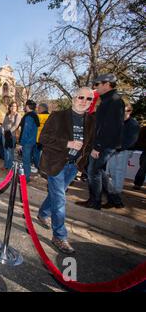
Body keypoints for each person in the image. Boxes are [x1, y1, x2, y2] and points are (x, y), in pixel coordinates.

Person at [37, 87, 95, 254]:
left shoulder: (91, 120)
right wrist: (67, 143)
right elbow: (44, 138)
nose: (84, 101)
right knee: (60, 199)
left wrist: (89, 152)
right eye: (81, 97)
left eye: (88, 99)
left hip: (73, 165)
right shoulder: (58, 116)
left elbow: (90, 141)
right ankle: (59, 236)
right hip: (55, 163)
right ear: (73, 98)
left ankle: (42, 213)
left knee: (57, 194)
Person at [76, 74, 125, 210]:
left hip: (104, 145)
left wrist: (97, 146)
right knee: (99, 171)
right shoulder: (109, 101)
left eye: (97, 84)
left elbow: (108, 127)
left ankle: (95, 201)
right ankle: (114, 200)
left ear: (107, 84)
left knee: (93, 171)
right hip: (105, 144)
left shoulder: (114, 101)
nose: (95, 87)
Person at [101, 100, 140, 208]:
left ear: (130, 111)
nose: (124, 113)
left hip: (123, 151)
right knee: (112, 173)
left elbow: (130, 141)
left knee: (118, 173)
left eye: (127, 111)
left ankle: (115, 199)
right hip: (113, 151)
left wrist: (116, 147)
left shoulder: (133, 124)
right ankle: (114, 198)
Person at [19, 100, 40, 182]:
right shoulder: (35, 115)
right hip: (33, 141)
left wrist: (21, 143)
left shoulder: (29, 116)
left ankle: (25, 178)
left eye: (25, 105)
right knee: (28, 161)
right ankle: (26, 176)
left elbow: (26, 131)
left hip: (27, 142)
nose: (24, 107)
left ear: (27, 106)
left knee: (26, 161)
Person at [2, 102, 21, 170]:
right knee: (5, 150)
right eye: (12, 106)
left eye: (15, 106)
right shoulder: (7, 114)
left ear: (17, 107)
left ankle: (10, 166)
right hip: (4, 134)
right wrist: (3, 130)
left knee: (11, 151)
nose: (13, 107)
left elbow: (16, 125)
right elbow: (4, 123)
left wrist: (9, 132)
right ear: (10, 107)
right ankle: (5, 165)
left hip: (11, 135)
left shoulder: (18, 115)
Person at [33, 102, 50, 171]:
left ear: (42, 108)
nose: (38, 109)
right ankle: (44, 168)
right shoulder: (51, 117)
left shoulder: (38, 117)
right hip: (48, 140)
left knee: (36, 154)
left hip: (38, 139)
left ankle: (38, 167)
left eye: (39, 108)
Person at [133, 125, 146, 190]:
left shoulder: (143, 128)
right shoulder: (144, 129)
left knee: (142, 168)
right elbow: (139, 140)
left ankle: (137, 184)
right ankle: (137, 184)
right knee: (142, 168)